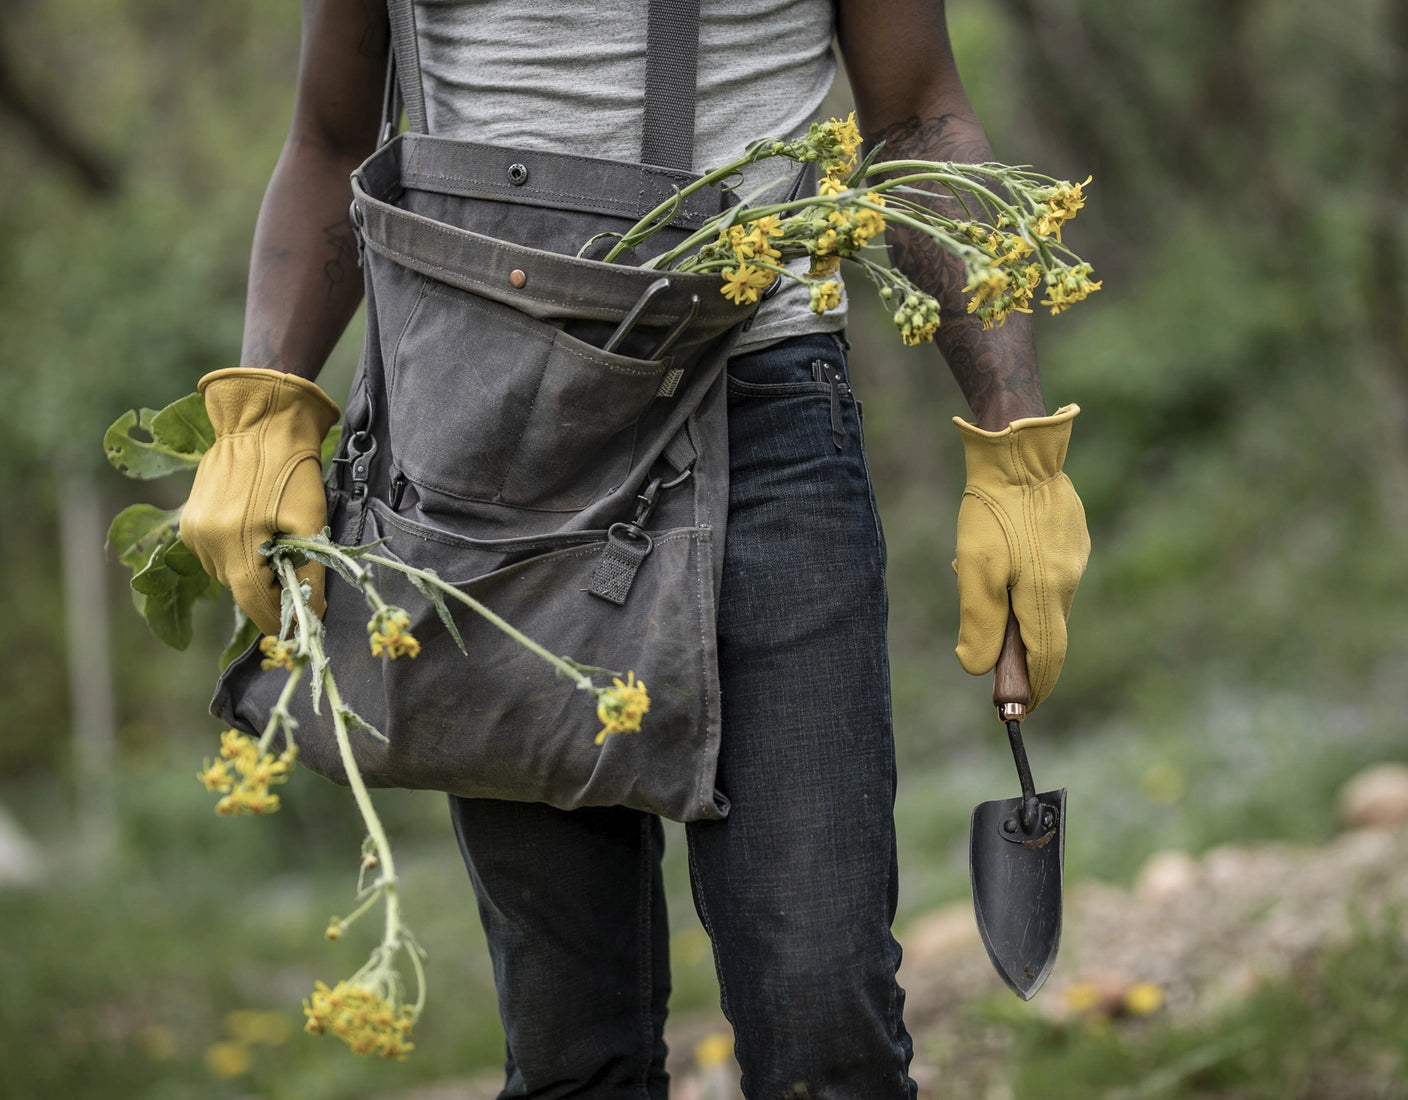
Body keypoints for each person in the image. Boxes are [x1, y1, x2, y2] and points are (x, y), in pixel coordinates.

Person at [180, 1, 1089, 1096]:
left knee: (823, 1016)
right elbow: (329, 137)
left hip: (763, 415)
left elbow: (914, 114)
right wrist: (266, 400)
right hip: (485, 437)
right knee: (572, 1047)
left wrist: (1015, 446)